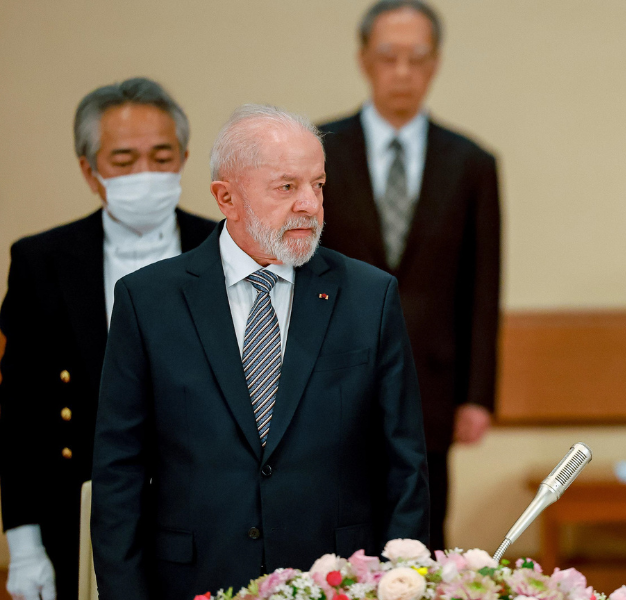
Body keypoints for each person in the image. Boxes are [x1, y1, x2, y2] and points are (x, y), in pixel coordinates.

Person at [90, 104, 430, 600]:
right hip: (193, 579)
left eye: (318, 185)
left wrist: (405, 585)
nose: (310, 205)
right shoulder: (149, 301)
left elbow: (405, 467)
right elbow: (119, 471)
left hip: (337, 581)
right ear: (226, 197)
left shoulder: (369, 296)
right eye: (286, 187)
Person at [0, 77, 217, 600]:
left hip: (209, 520)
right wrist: (26, 547)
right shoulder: (41, 262)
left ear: (185, 158)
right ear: (89, 170)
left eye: (162, 155)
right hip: (77, 514)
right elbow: (21, 414)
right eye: (123, 160)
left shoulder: (227, 248)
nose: (146, 173)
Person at [318, 0, 500, 550]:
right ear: (364, 60)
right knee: (336, 523)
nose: (402, 72)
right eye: (388, 57)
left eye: (416, 58)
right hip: (333, 373)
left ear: (435, 63)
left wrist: (478, 394)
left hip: (432, 384)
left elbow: (483, 284)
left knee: (423, 528)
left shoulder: (471, 162)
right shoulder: (319, 151)